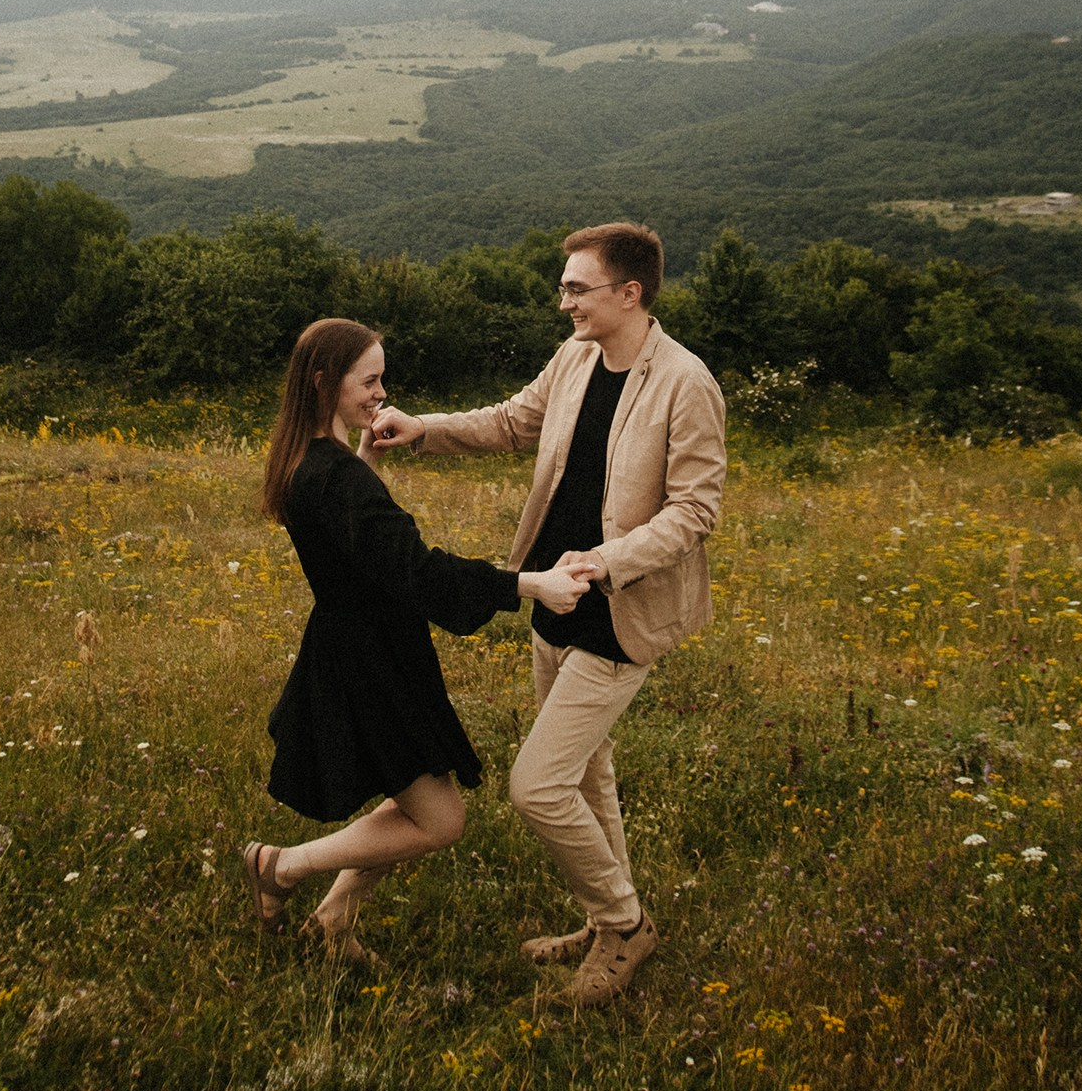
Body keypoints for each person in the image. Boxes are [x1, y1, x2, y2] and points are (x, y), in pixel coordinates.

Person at [369, 222, 726, 1007]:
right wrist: (423, 429)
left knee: (538, 786)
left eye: (577, 288)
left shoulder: (685, 382)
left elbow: (696, 509)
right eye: (564, 286)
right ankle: (607, 920)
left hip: (620, 608)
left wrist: (609, 561)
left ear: (629, 294)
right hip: (552, 595)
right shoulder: (575, 358)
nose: (562, 300)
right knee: (587, 768)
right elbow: (511, 421)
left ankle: (624, 928)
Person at [242, 316, 592, 960]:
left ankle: (334, 919)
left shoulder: (314, 462)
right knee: (439, 818)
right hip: (370, 661)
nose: (381, 392)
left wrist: (367, 462)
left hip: (367, 647)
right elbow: (417, 570)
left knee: (411, 797)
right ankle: (281, 866)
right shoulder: (333, 476)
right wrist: (530, 584)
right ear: (324, 382)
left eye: (382, 378)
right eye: (368, 380)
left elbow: (363, 549)